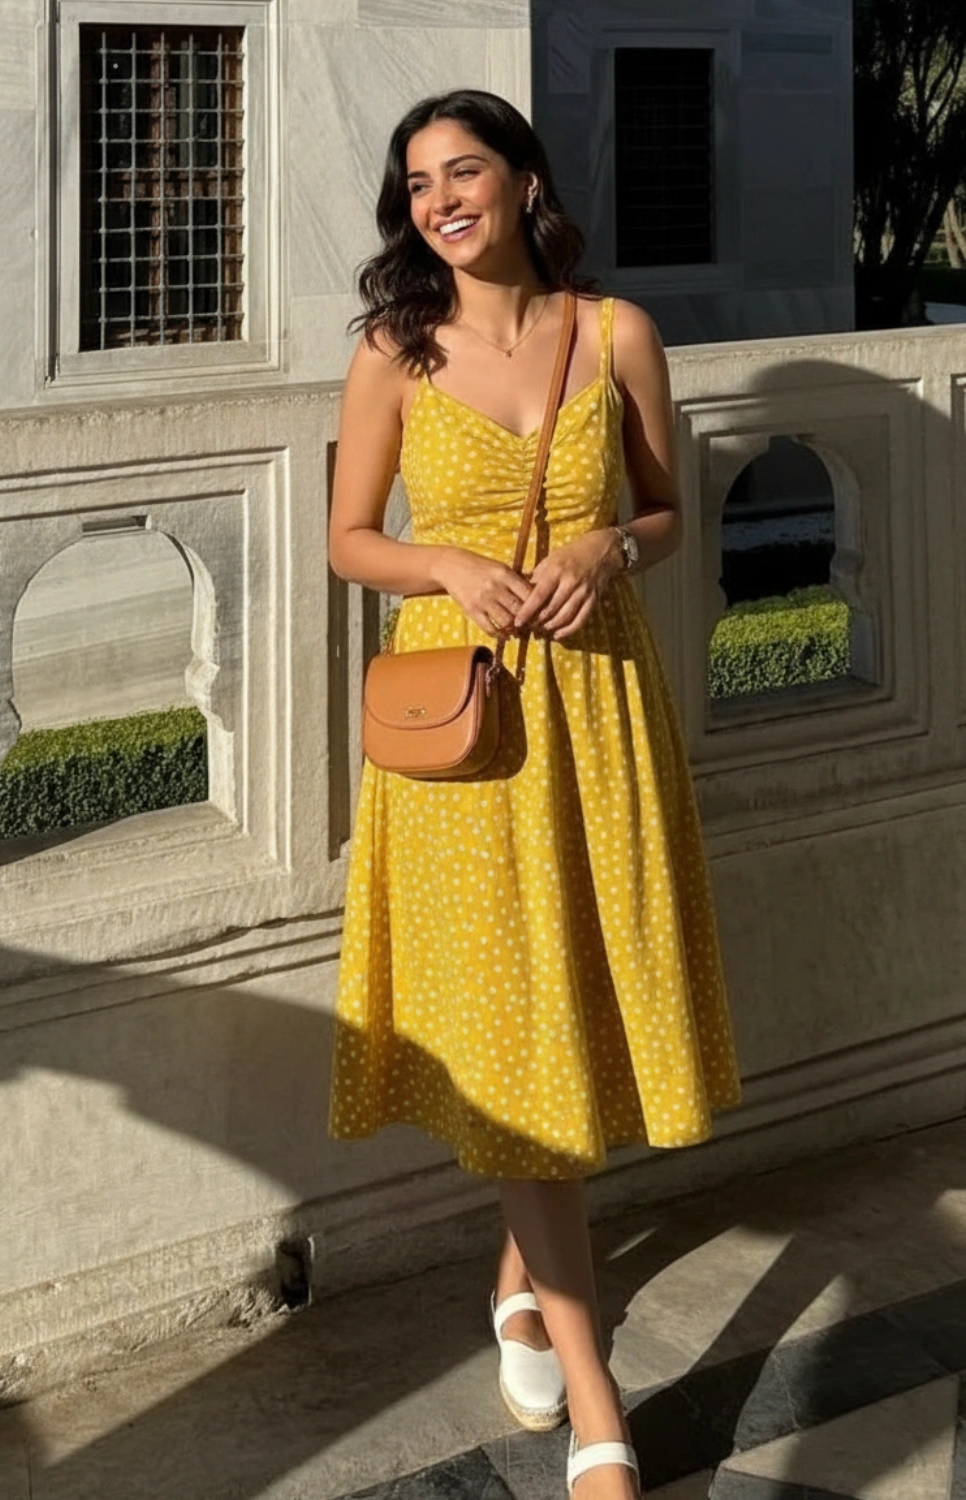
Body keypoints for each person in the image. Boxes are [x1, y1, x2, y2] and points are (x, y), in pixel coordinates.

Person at [328, 89, 740, 1500]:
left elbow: (669, 511)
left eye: (465, 170)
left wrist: (609, 553)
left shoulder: (613, 331)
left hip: (601, 713)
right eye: (418, 184)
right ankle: (597, 1399)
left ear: (522, 179)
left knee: (574, 1009)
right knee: (516, 1033)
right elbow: (348, 540)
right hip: (464, 737)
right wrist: (444, 565)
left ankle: (520, 1271)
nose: (442, 198)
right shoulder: (394, 352)